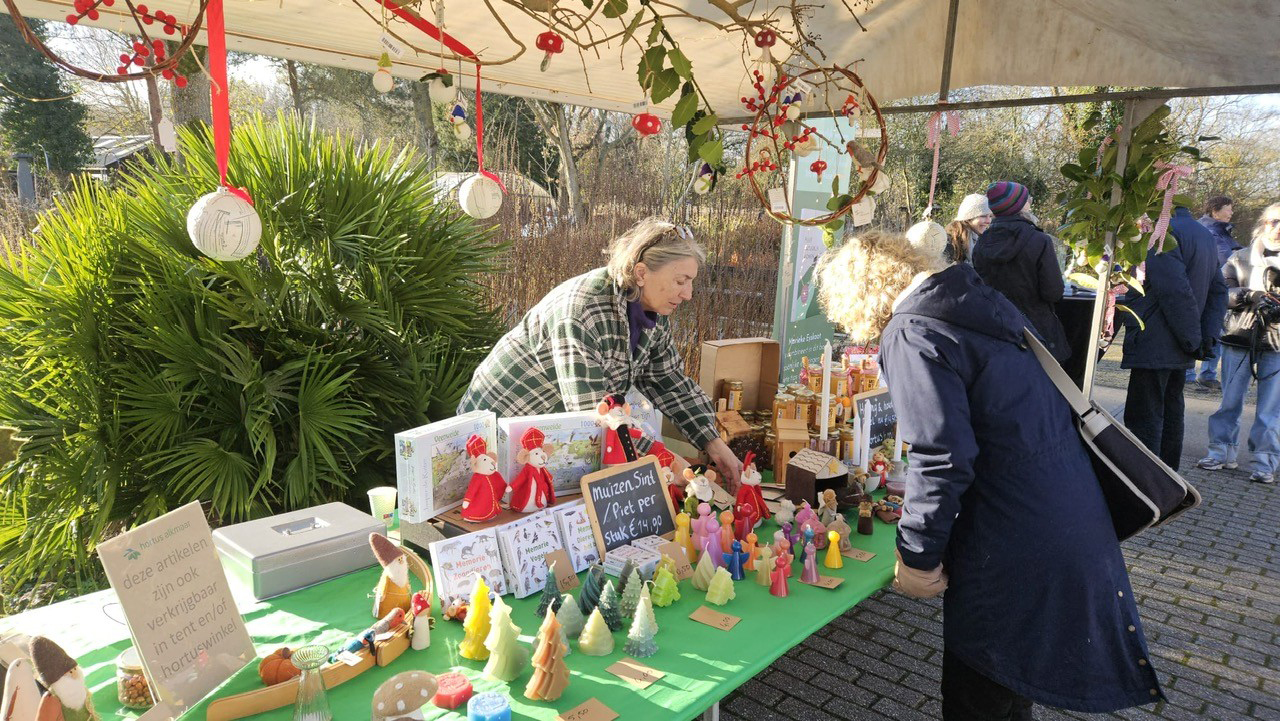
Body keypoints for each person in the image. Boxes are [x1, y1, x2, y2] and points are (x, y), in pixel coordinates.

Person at [817, 229, 1163, 719]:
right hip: (1062, 516)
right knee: (1005, 689)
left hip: (1008, 539)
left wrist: (917, 557)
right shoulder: (978, 305)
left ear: (856, 296)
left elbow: (941, 457)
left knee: (979, 696)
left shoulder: (914, 329)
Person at [457, 217, 742, 487]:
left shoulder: (652, 309)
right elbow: (594, 412)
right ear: (641, 273)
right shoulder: (583, 310)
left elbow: (668, 381)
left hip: (546, 440)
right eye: (681, 281)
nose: (688, 294)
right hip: (494, 436)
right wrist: (667, 460)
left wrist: (713, 443)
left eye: (691, 282)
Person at [1120, 206, 1228, 470]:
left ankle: (1145, 484)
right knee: (1170, 412)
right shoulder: (1203, 234)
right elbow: (1218, 291)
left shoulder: (1164, 233)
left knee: (1146, 418)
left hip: (1157, 339)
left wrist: (1194, 339)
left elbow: (1175, 292)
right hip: (1180, 343)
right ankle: (1168, 479)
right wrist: (1203, 338)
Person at [1198, 203, 1280, 484]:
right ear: (1263, 223)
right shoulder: (1239, 257)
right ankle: (1220, 451)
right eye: (1274, 222)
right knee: (1230, 400)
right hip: (1239, 336)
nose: (1278, 228)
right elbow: (1221, 290)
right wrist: (1249, 295)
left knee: (1271, 408)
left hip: (1277, 340)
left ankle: (1265, 462)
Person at [971, 181, 1071, 362]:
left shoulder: (981, 242)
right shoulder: (1039, 240)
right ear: (1018, 206)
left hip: (994, 329)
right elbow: (1053, 292)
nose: (1030, 203)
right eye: (1027, 200)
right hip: (1036, 332)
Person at [1189, 195, 1240, 390]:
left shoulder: (1221, 231)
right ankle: (1197, 373)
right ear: (1215, 210)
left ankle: (1205, 373)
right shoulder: (1210, 231)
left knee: (1215, 328)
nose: (1231, 212)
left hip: (1217, 287)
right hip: (1209, 288)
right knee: (1210, 327)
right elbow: (1226, 258)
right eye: (1228, 208)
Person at [943, 193, 993, 264]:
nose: (988, 221)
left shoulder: (981, 239)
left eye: (990, 216)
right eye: (983, 216)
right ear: (968, 218)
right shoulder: (950, 241)